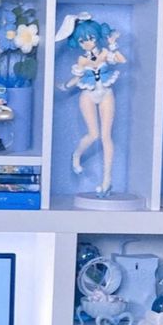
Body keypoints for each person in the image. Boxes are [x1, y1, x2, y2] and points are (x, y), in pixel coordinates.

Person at [56, 13, 126, 196]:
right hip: (88, 94)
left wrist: (112, 44)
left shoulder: (104, 53)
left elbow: (121, 60)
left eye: (90, 38)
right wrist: (64, 85)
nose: (87, 43)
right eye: (82, 41)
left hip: (106, 93)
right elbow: (76, 77)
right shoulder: (81, 60)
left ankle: (107, 181)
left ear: (96, 38)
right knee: (93, 134)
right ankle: (77, 155)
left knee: (106, 136)